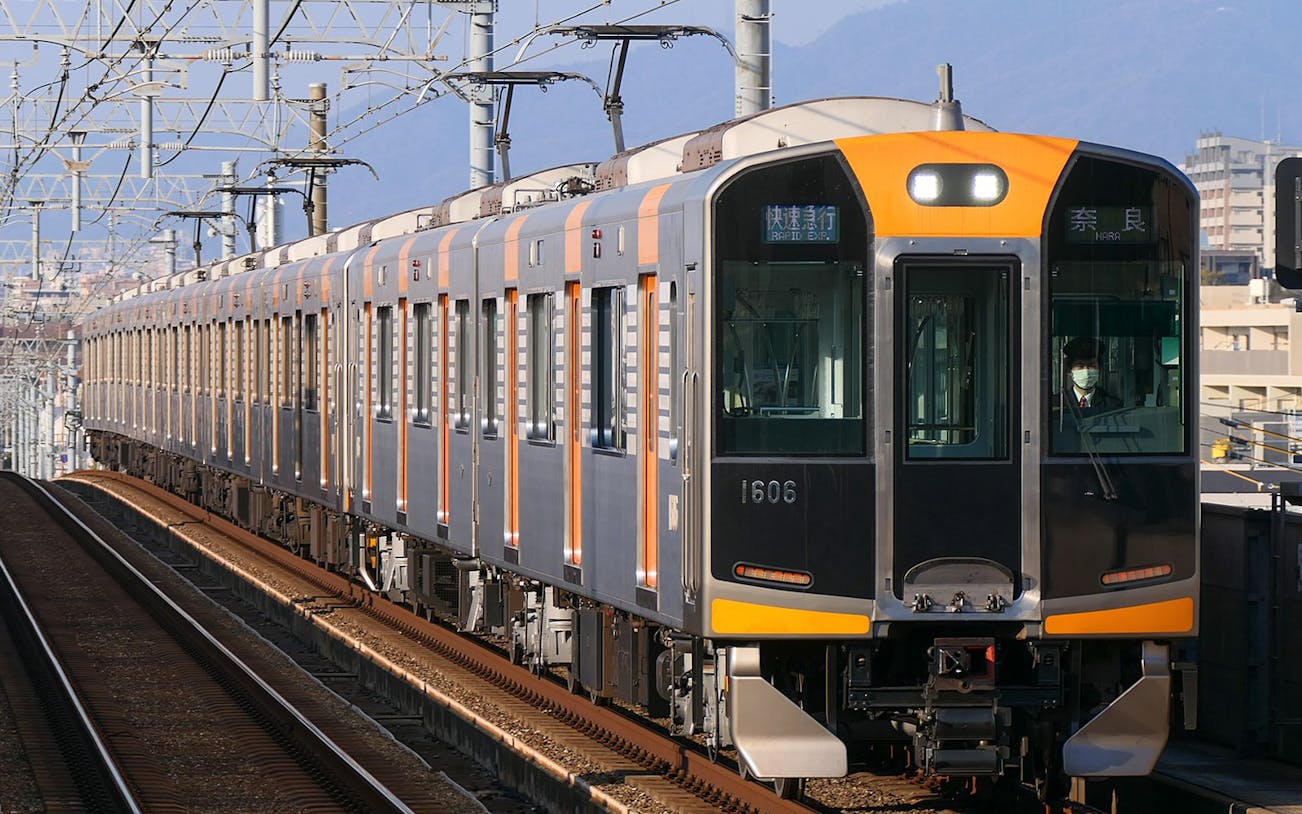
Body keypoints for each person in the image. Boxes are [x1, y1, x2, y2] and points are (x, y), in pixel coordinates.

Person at [1062, 337, 1121, 413]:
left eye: (1092, 365)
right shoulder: (1057, 403)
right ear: (1070, 370)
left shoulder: (1112, 405)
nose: (1086, 371)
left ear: (1099, 369)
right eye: (1080, 366)